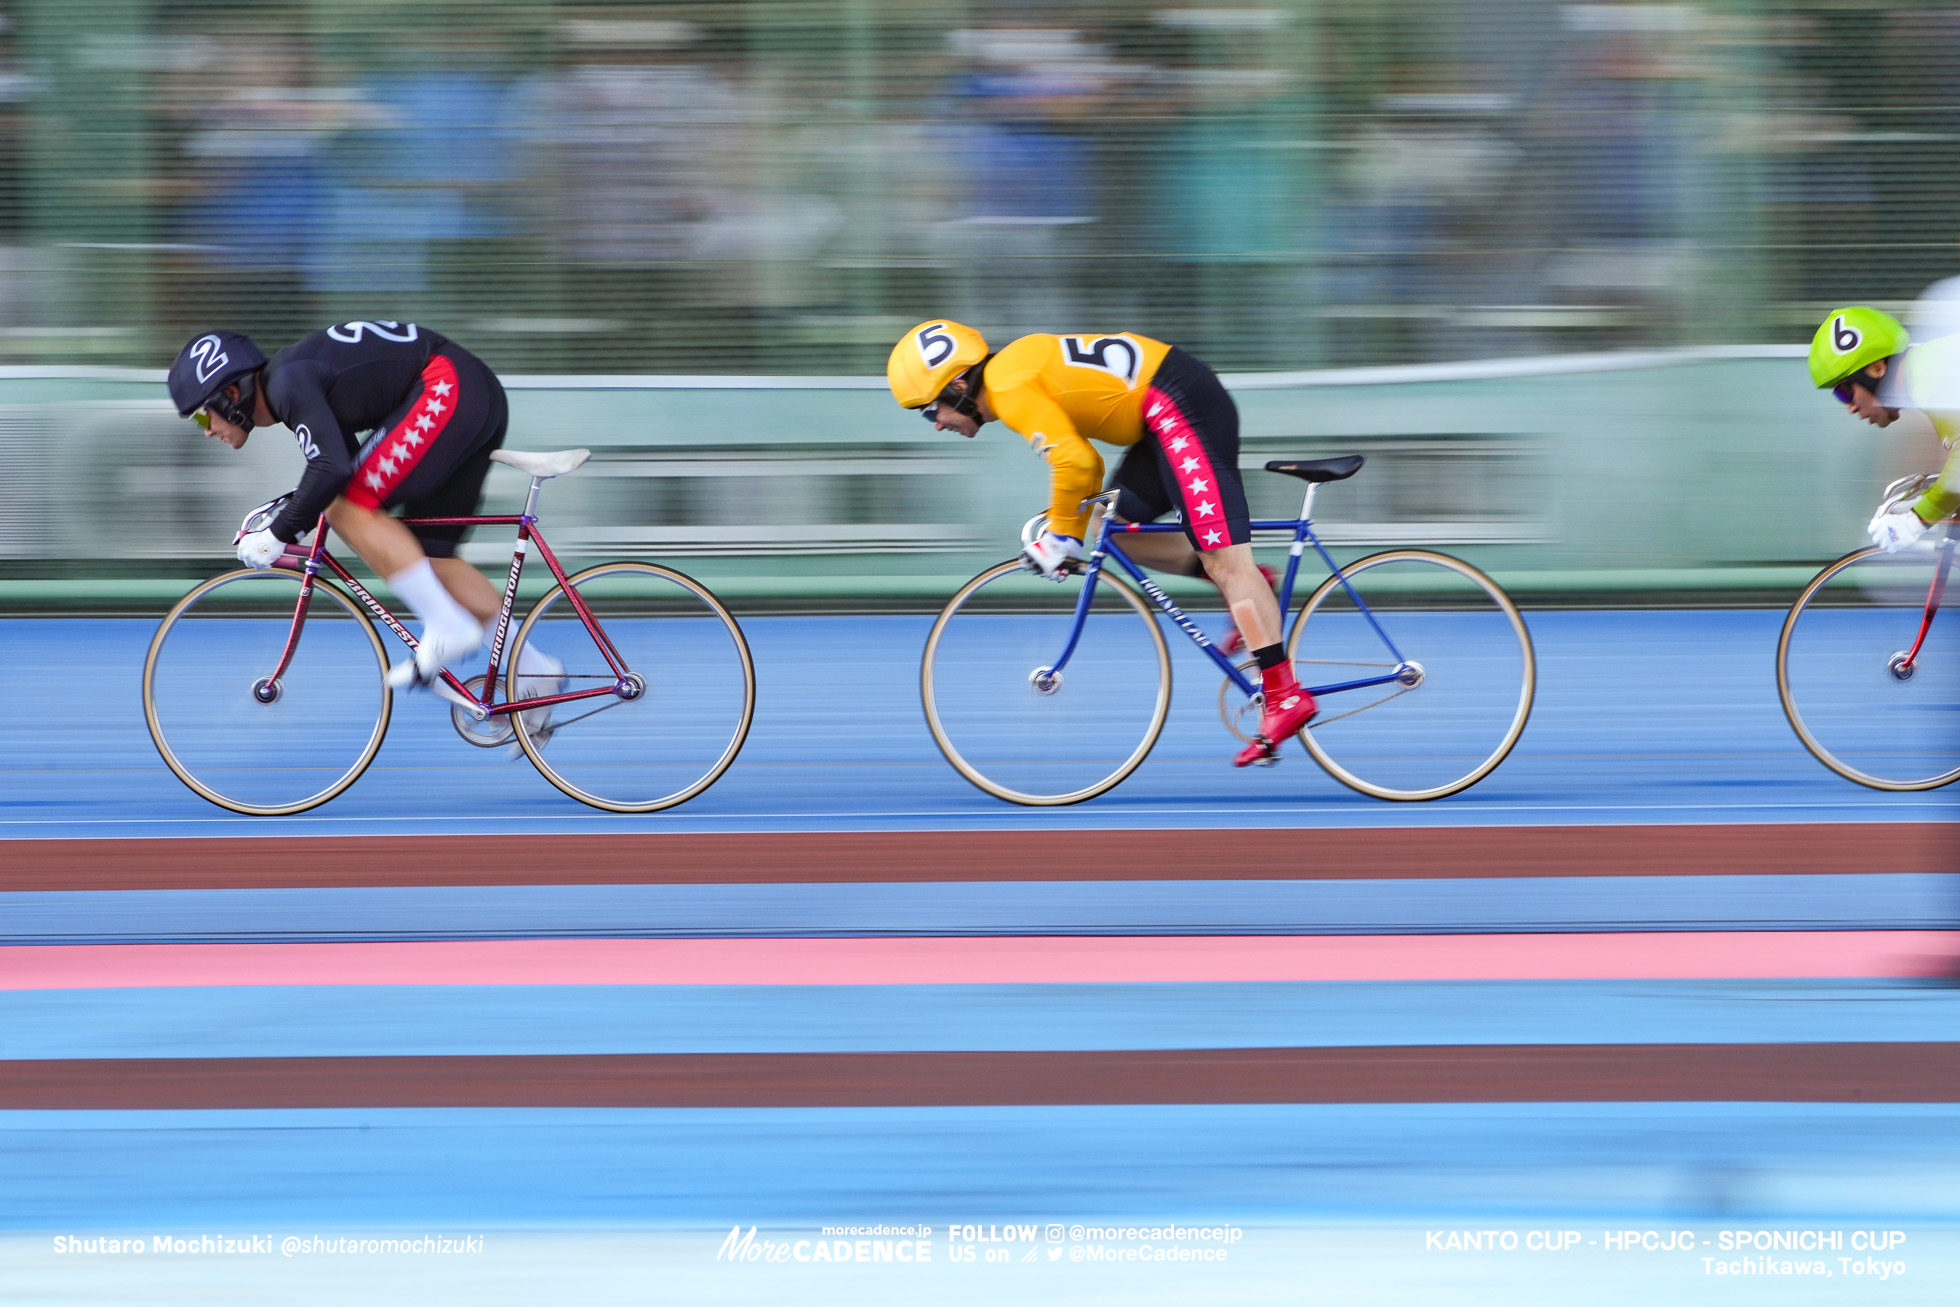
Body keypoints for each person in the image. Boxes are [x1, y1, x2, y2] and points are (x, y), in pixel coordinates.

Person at [887, 320, 1315, 766]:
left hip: (1178, 405)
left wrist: (1058, 536)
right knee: (1117, 529)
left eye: (929, 410)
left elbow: (1073, 462)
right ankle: (1249, 583)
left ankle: (1285, 694)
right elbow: (1084, 465)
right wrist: (1065, 533)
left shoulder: (1008, 389)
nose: (935, 424)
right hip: (1165, 406)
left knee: (1226, 559)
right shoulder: (1008, 374)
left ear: (957, 385)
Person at [166, 321, 561, 700]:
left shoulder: (287, 384)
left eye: (202, 414)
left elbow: (331, 470)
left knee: (347, 506)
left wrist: (277, 535)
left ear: (231, 395)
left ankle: (445, 625)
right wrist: (294, 514)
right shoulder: (291, 378)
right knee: (430, 555)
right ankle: (534, 671)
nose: (205, 429)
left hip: (447, 385)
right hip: (469, 388)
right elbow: (341, 464)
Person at [1809, 305, 1960, 549]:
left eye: (1844, 392)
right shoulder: (1927, 368)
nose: (1850, 407)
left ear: (1876, 368)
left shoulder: (1928, 378)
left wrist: (1917, 520)